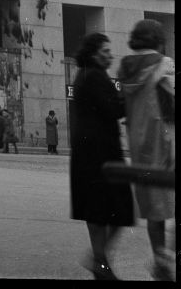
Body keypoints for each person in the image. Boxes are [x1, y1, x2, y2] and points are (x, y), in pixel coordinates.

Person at [69, 32, 134, 281]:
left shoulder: (86, 74)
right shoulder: (95, 76)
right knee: (120, 210)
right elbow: (115, 109)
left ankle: (101, 264)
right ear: (95, 53)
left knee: (97, 214)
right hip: (101, 156)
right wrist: (129, 92)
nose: (110, 55)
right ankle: (99, 261)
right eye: (106, 51)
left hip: (88, 155)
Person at [118, 18, 175, 282]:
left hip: (139, 146)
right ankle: (165, 257)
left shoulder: (125, 68)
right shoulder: (164, 65)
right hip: (165, 143)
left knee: (154, 209)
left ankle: (160, 259)